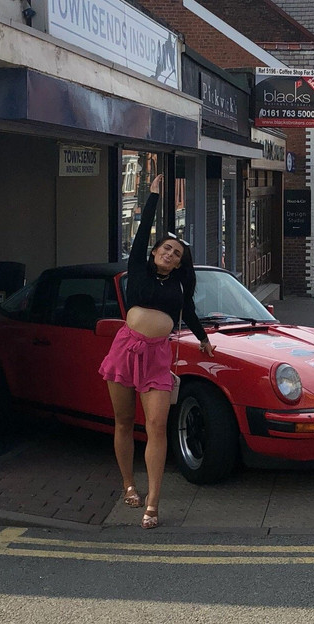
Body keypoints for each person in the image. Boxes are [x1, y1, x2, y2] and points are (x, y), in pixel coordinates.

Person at [98, 175, 215, 528]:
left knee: (158, 426)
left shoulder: (179, 285)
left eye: (176, 253)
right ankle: (128, 484)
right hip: (125, 350)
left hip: (158, 358)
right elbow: (141, 231)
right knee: (122, 422)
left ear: (180, 263)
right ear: (154, 252)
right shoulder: (138, 268)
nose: (170, 253)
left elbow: (189, 313)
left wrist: (203, 338)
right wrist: (151, 196)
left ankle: (153, 501)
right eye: (165, 248)